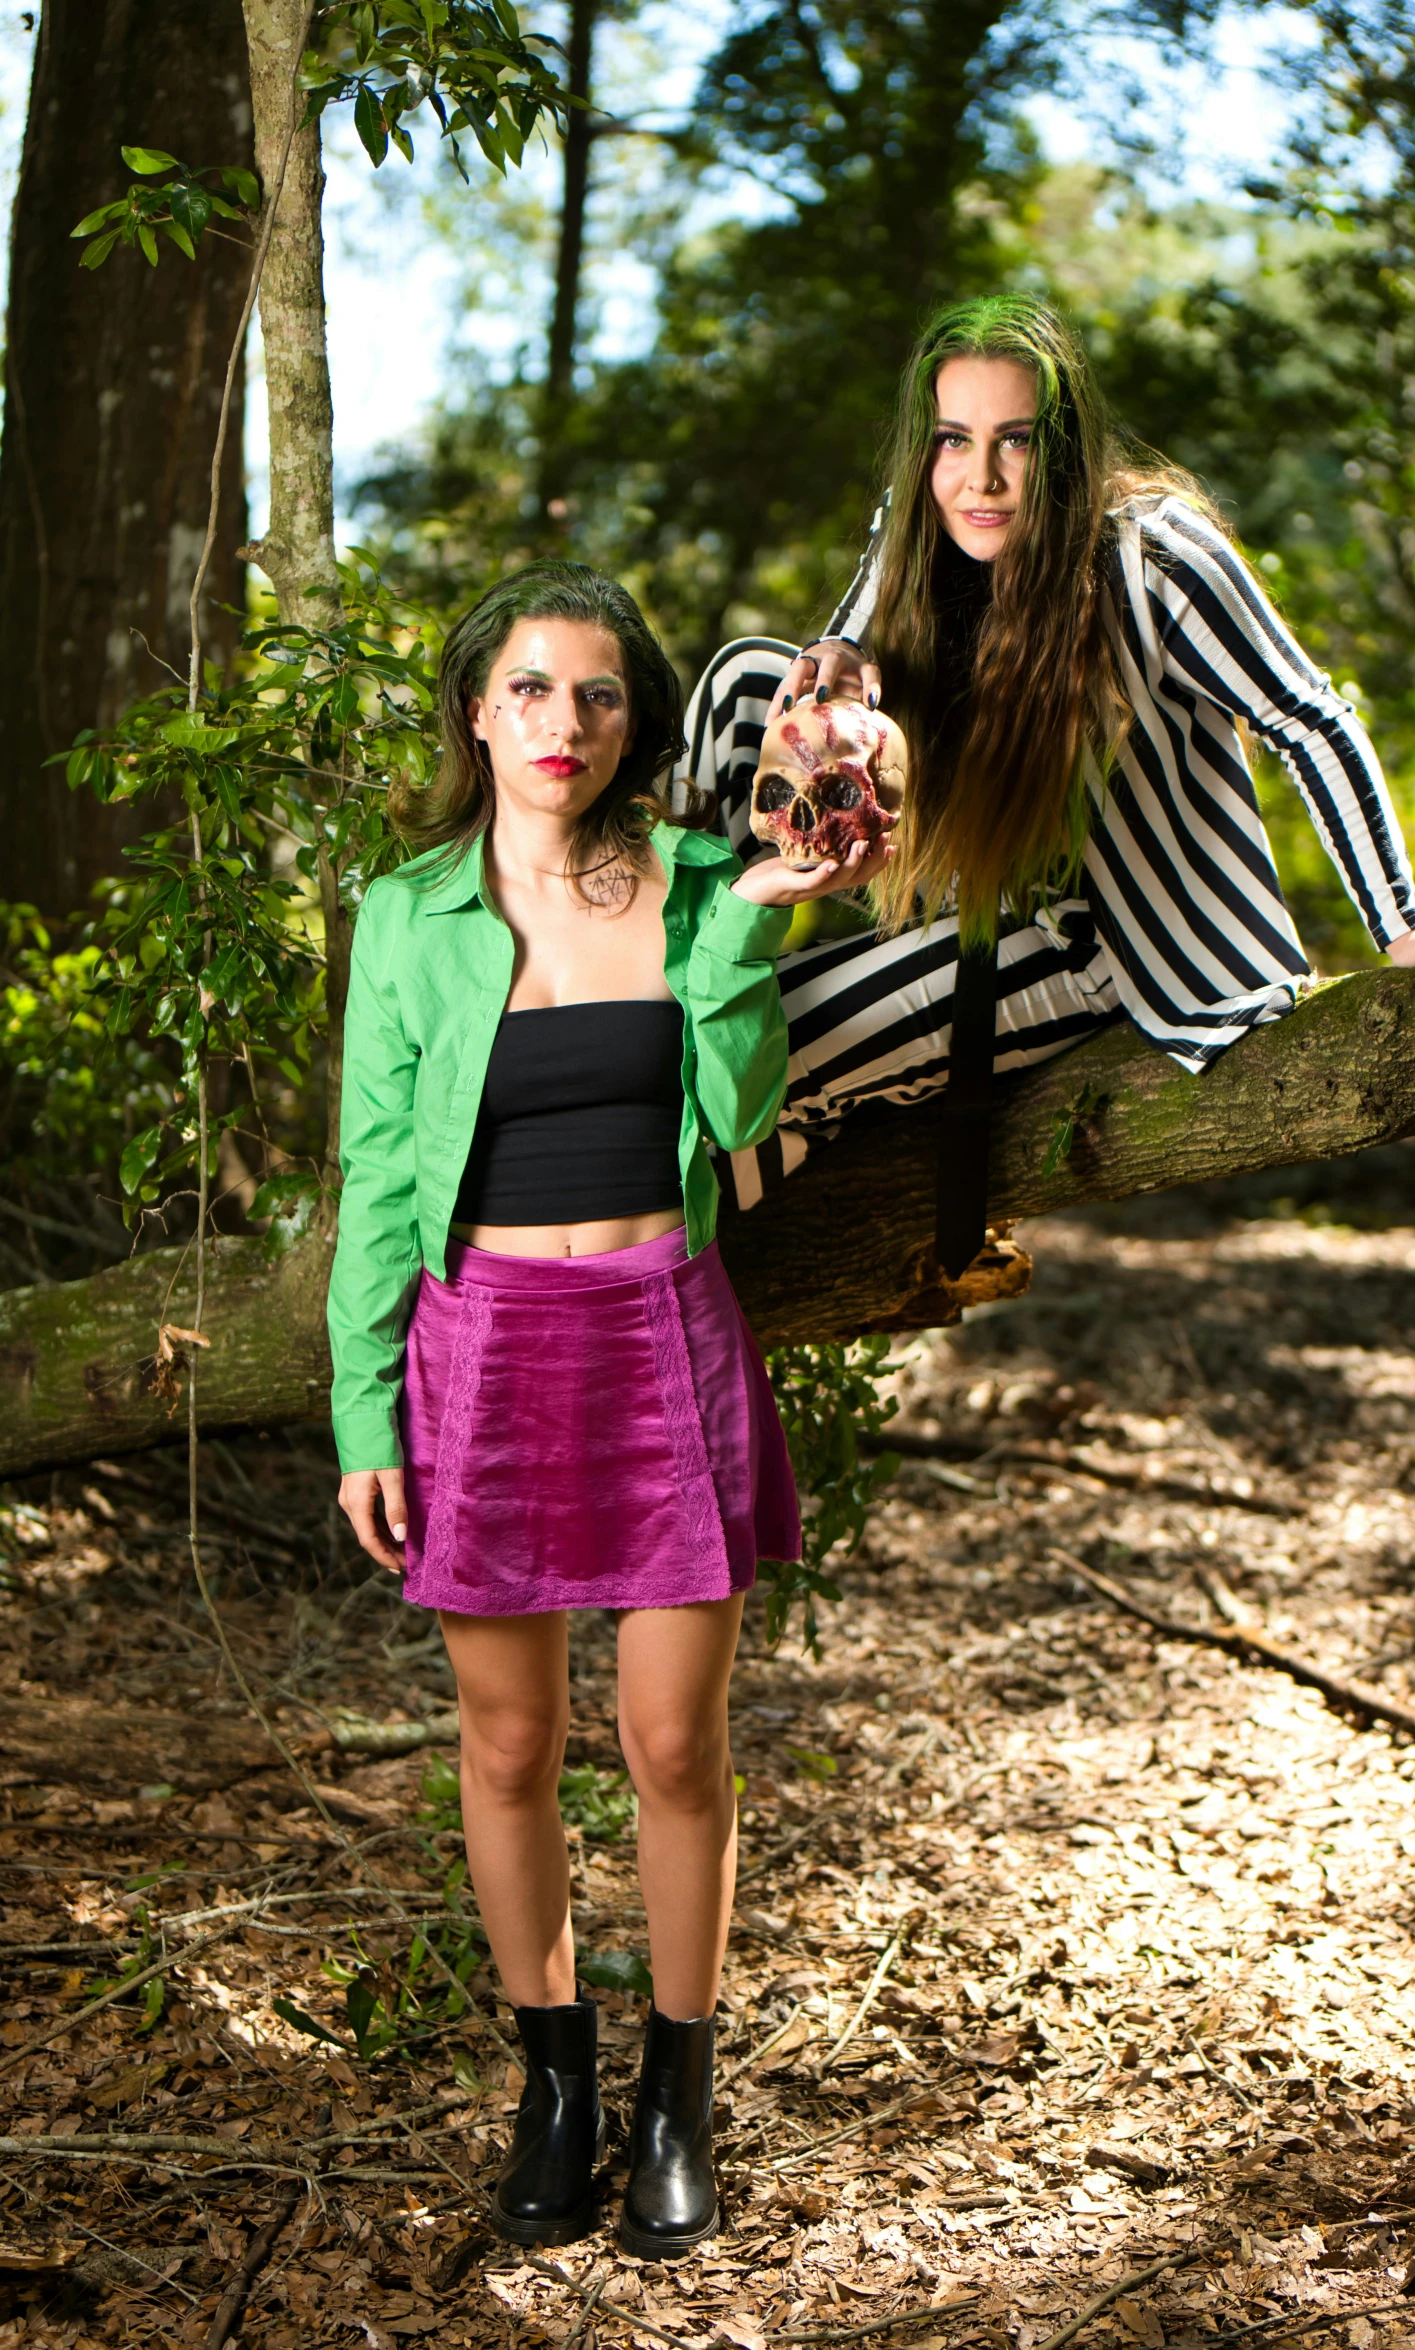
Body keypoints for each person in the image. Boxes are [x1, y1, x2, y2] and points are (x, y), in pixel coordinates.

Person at [328, 562, 888, 2258]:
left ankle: (674, 2097)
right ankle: (553, 2082)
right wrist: (364, 1410)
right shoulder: (406, 914)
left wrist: (762, 910)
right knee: (504, 1747)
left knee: (667, 1746)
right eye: (526, 690)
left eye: (595, 695)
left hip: (662, 1329)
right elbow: (369, 1178)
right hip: (479, 1348)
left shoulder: (706, 874)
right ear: (473, 709)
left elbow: (737, 1103)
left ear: (634, 722)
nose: (559, 725)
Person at [678, 294, 1415, 1212]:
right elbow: (838, 705)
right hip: (946, 889)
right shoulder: (917, 532)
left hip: (1090, 940)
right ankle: (634, 962)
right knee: (752, 673)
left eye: (1014, 441)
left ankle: (699, 1194)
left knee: (747, 1044)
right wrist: (836, 661)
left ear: (1060, 445)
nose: (980, 479)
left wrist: (1400, 919)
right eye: (953, 441)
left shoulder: (1153, 557)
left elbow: (1309, 720)